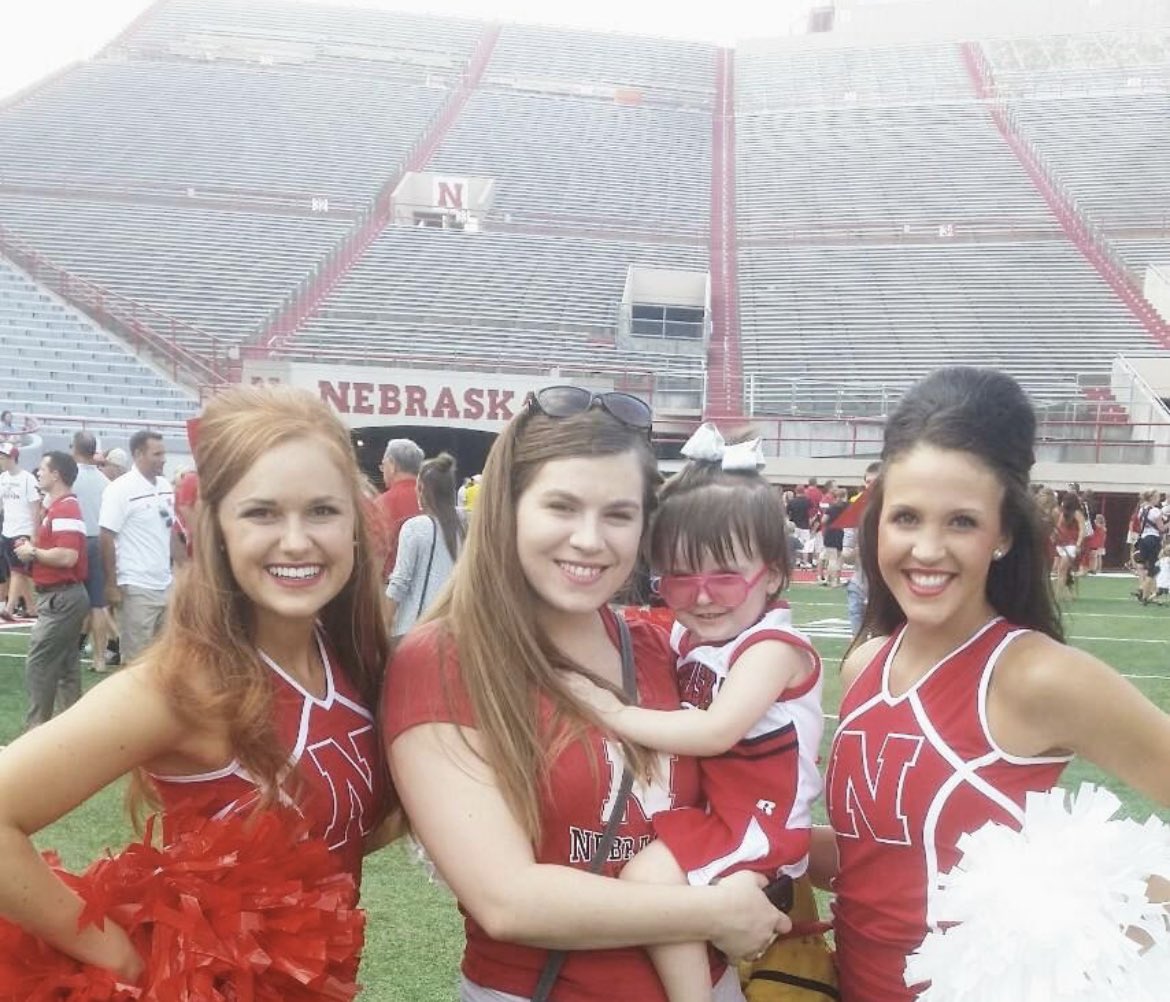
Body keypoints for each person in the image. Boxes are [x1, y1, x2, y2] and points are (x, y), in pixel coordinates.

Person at [383, 386, 788, 1002]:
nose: (591, 540)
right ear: (509, 509)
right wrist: (713, 913)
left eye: (618, 515)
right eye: (562, 507)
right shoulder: (443, 662)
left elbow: (732, 804)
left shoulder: (661, 644)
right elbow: (507, 900)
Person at [0, 385, 389, 985]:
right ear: (217, 528)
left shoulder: (348, 654)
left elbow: (343, 826)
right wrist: (124, 959)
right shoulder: (179, 685)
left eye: (322, 511)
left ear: (355, 526)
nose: (296, 540)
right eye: (261, 512)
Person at [813, 367, 1170, 1002]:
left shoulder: (1035, 675)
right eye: (905, 517)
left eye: (961, 522)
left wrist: (1109, 919)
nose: (927, 549)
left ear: (1003, 532)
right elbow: (877, 862)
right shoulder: (863, 665)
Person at [565, 422, 823, 1002]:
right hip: (722, 812)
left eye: (725, 577)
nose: (702, 597)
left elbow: (714, 730)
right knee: (653, 882)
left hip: (759, 824)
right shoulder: (696, 635)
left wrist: (610, 712)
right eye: (679, 579)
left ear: (773, 574)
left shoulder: (772, 648)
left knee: (647, 880)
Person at [15, 452, 89, 729]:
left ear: (56, 474)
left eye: (43, 469)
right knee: (66, 667)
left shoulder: (65, 508)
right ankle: (73, 730)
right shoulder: (61, 506)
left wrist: (33, 552)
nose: (38, 473)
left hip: (61, 597)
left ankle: (37, 730)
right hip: (63, 596)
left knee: (40, 663)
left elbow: (68, 556)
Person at [98, 431, 176, 663]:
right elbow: (106, 536)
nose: (163, 459)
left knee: (166, 660)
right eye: (157, 454)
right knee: (136, 662)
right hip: (136, 586)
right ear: (139, 454)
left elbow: (170, 531)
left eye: (163, 453)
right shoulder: (120, 489)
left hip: (166, 584)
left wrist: (180, 572)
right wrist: (112, 584)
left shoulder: (165, 486)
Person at [385, 452, 465, 636]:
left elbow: (399, 583)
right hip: (455, 627)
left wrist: (383, 622)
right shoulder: (465, 524)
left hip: (416, 629)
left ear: (422, 488)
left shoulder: (415, 527)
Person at [70, 431, 114, 673]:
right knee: (98, 603)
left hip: (74, 540)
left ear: (75, 449)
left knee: (70, 600)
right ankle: (99, 658)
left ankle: (70, 653)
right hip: (98, 539)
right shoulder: (105, 482)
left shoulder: (69, 478)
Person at [0, 442, 40, 622]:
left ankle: (9, 608)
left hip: (23, 530)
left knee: (17, 571)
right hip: (8, 529)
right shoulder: (3, 478)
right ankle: (31, 607)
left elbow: (35, 507)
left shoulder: (27, 479)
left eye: (3, 457)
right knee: (17, 571)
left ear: (13, 458)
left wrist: (35, 533)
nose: (1, 460)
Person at [376, 438, 424, 578]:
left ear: (392, 465)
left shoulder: (381, 504)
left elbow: (374, 555)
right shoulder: (435, 501)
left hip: (391, 583)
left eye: (383, 465)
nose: (382, 470)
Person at [1134, 488, 1165, 605]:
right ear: (1152, 498)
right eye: (1157, 497)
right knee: (1154, 569)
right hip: (1153, 539)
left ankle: (1149, 593)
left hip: (1143, 539)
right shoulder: (1156, 511)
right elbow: (1162, 528)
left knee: (1148, 568)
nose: (1158, 499)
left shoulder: (1142, 509)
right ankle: (1144, 594)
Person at [1051, 492, 1083, 602]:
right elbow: (1058, 526)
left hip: (1071, 545)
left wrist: (1078, 544)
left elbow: (1082, 530)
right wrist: (1054, 535)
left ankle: (1057, 595)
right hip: (1062, 543)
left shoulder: (1077, 513)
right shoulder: (1063, 513)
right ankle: (1068, 594)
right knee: (1062, 570)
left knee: (1062, 569)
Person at [1154, 541, 1170, 605]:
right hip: (1166, 576)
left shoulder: (1161, 559)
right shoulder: (1168, 559)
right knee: (1164, 590)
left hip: (1160, 576)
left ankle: (1149, 599)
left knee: (1160, 590)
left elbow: (1156, 564)